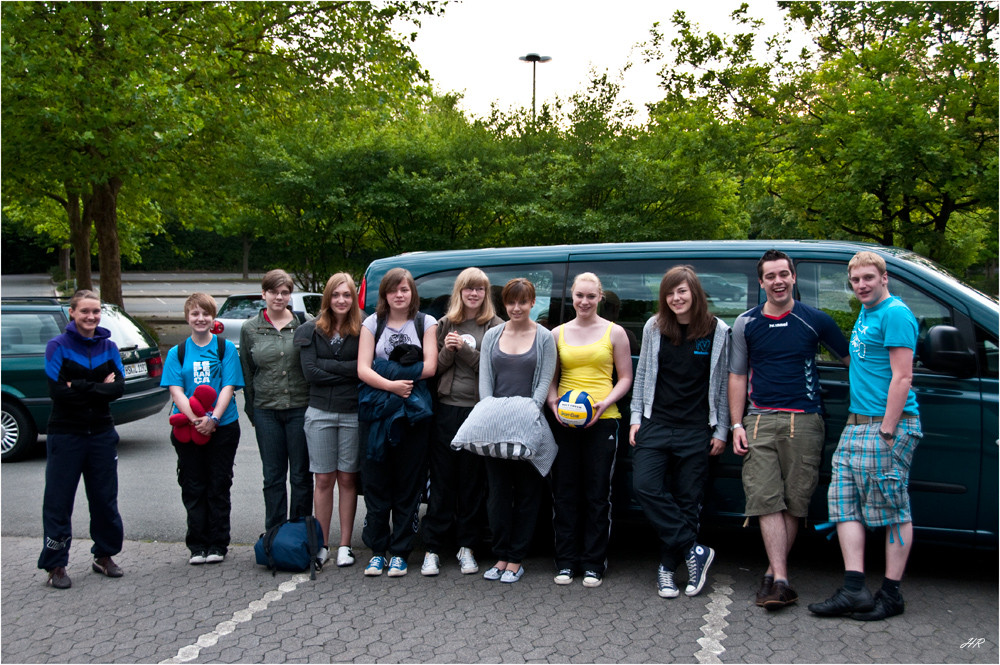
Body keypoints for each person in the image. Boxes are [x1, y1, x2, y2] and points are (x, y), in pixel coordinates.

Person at [729, 250, 849, 610]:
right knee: (765, 498)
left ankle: (772, 572)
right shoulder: (746, 323)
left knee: (795, 502)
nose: (778, 281)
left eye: (784, 274)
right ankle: (781, 580)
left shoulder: (817, 321)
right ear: (761, 282)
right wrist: (737, 423)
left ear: (794, 277)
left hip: (806, 420)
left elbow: (851, 362)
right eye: (771, 276)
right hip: (760, 420)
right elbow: (736, 376)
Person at [809, 251, 922, 621]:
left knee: (892, 509)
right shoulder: (867, 311)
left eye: (868, 278)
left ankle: (891, 595)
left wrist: (887, 429)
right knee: (844, 505)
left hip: (886, 425)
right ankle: (854, 590)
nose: (861, 285)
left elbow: (903, 377)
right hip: (857, 426)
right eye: (856, 280)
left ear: (884, 277)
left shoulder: (895, 313)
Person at [629, 266, 730, 599]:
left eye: (682, 291)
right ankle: (693, 549)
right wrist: (635, 417)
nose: (676, 298)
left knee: (688, 501)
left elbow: (724, 387)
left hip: (696, 429)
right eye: (670, 293)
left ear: (695, 293)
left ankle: (667, 569)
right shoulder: (655, 327)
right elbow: (643, 373)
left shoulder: (718, 331)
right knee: (645, 486)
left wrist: (722, 430)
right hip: (655, 423)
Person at [546, 272, 634, 588]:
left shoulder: (615, 333)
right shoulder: (556, 333)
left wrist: (602, 403)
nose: (584, 301)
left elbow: (625, 377)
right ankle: (566, 562)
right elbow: (550, 379)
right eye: (579, 295)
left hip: (603, 420)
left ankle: (594, 563)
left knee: (598, 494)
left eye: (590, 296)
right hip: (564, 422)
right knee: (565, 492)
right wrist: (554, 403)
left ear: (600, 298)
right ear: (572, 297)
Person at [37, 290, 126, 589]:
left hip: (101, 432)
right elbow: (58, 392)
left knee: (104, 498)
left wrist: (78, 385)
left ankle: (104, 555)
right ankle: (56, 564)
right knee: (59, 501)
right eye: (85, 311)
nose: (91, 317)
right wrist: (97, 386)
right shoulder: (57, 347)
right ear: (72, 313)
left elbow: (118, 389)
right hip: (66, 433)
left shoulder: (109, 346)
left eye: (96, 311)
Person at [420, 268, 503, 577]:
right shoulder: (445, 324)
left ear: (486, 294)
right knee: (442, 481)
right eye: (468, 289)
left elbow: (493, 370)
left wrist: (466, 350)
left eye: (479, 289)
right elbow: (435, 369)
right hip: (446, 409)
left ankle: (466, 546)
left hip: (478, 411)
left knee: (471, 482)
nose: (473, 294)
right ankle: (432, 548)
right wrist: (447, 351)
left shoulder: (496, 326)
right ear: (459, 292)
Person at [357, 267, 437, 578]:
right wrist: (393, 384)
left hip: (413, 417)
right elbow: (363, 369)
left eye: (405, 289)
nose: (399, 294)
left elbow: (430, 367)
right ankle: (378, 551)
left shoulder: (425, 322)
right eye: (394, 290)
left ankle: (401, 552)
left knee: (408, 484)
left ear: (412, 293)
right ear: (385, 294)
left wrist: (384, 368)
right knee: (377, 483)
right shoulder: (372, 323)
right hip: (378, 413)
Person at [479, 278, 557, 584]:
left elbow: (543, 384)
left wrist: (525, 415)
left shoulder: (545, 337)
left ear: (532, 303)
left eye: (523, 302)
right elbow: (485, 382)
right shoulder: (492, 336)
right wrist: (491, 414)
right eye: (511, 302)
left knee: (527, 494)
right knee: (498, 494)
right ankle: (500, 555)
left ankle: (516, 558)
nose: (516, 307)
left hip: (528, 426)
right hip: (495, 426)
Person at [161, 293, 243, 565]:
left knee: (218, 484)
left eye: (205, 314)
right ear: (187, 318)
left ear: (213, 318)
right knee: (193, 485)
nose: (200, 319)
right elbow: (176, 391)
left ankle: (218, 544)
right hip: (187, 429)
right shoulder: (177, 352)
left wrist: (213, 419)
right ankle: (198, 545)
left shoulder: (225, 348)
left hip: (223, 426)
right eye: (195, 314)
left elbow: (229, 387)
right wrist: (196, 418)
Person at [294, 273, 362, 569]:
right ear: (327, 297)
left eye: (347, 295)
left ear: (353, 298)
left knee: (347, 478)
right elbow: (310, 373)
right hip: (319, 412)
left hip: (352, 413)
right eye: (336, 295)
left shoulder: (363, 330)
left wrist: (331, 368)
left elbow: (364, 368)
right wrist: (347, 370)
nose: (341, 300)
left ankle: (345, 545)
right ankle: (321, 544)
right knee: (323, 479)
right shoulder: (309, 329)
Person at [240, 269, 311, 531]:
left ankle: (300, 534)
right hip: (266, 411)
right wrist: (252, 412)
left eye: (285, 292)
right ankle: (275, 534)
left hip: (299, 409)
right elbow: (247, 373)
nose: (279, 297)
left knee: (302, 476)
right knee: (273, 477)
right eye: (274, 292)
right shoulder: (250, 329)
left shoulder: (305, 324)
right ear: (264, 294)